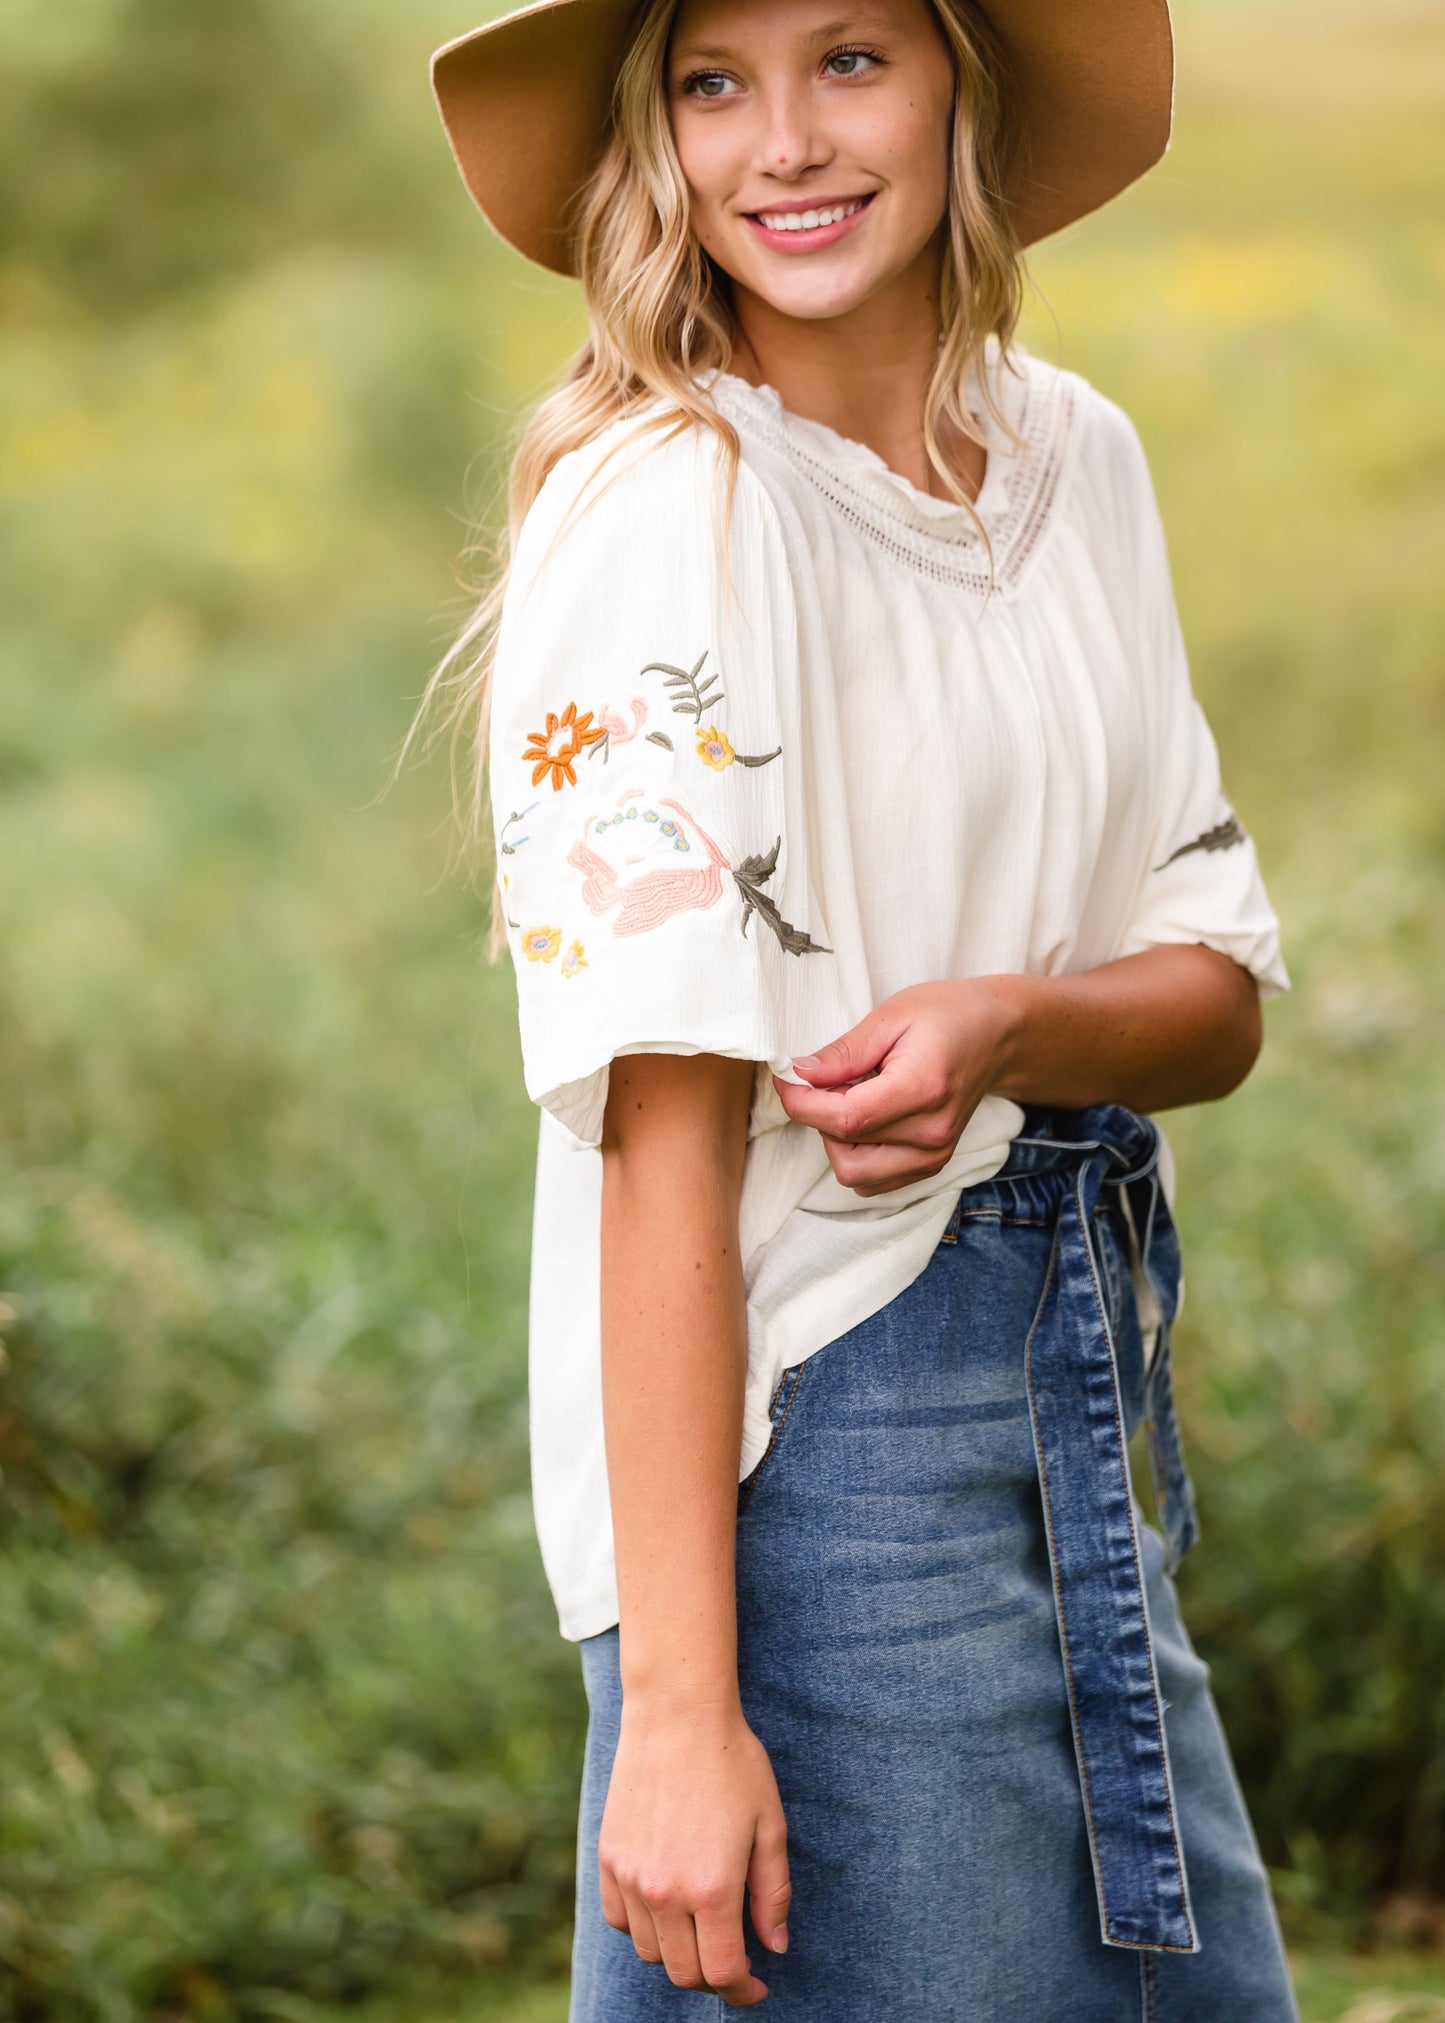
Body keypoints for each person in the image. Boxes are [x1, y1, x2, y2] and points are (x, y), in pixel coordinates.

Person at [418, 0, 1301, 2014]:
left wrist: (1006, 1023)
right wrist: (678, 1709)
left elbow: (1219, 989)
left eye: (851, 61)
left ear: (960, 85)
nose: (784, 146)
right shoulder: (675, 506)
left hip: (1073, 1384)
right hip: (817, 1437)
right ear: (656, 134)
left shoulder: (1079, 454)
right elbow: (665, 1139)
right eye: (714, 83)